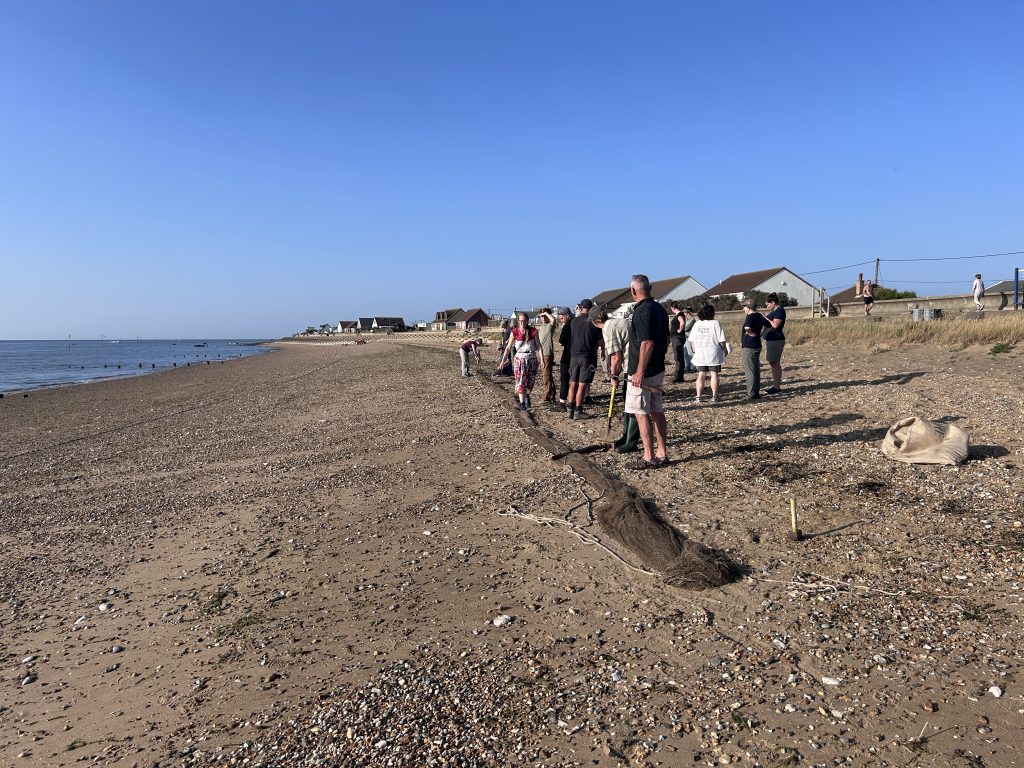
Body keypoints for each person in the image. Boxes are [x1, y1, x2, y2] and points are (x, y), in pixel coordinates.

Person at [624, 275, 669, 469]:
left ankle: (648, 456)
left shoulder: (642, 311)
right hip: (657, 367)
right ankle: (662, 452)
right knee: (656, 410)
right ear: (649, 288)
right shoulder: (660, 309)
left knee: (641, 413)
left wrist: (639, 372)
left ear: (633, 291)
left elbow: (647, 343)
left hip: (644, 372)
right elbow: (666, 339)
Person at [600, 308, 638, 453]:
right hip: (630, 365)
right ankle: (626, 436)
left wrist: (614, 376)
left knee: (633, 404)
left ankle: (631, 440)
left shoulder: (609, 328)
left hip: (633, 366)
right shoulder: (617, 322)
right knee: (628, 403)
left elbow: (616, 356)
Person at [498, 312, 546, 410]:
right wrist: (502, 361)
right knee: (520, 381)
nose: (522, 323)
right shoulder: (514, 332)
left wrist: (541, 360)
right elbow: (508, 348)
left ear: (527, 321)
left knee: (530, 382)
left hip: (531, 359)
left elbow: (539, 346)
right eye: (520, 321)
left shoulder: (533, 331)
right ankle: (522, 403)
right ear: (518, 321)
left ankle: (527, 395)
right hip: (519, 359)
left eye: (524, 321)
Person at [566, 299, 604, 419]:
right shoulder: (593, 322)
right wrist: (602, 350)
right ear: (591, 308)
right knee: (582, 384)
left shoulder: (573, 321)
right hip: (587, 356)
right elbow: (600, 341)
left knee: (572, 383)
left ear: (581, 308)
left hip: (574, 355)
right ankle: (578, 410)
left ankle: (569, 409)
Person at [687, 305, 728, 402]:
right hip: (713, 353)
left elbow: (692, 340)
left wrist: (694, 351)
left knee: (701, 374)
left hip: (700, 353)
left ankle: (698, 397)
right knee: (714, 374)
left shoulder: (697, 324)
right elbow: (722, 339)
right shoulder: (715, 323)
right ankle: (714, 396)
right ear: (711, 313)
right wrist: (725, 350)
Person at [740, 299, 770, 399]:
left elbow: (747, 328)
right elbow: (769, 326)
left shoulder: (750, 316)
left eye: (744, 307)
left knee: (750, 370)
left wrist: (751, 334)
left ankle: (751, 393)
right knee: (756, 369)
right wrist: (761, 334)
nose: (743, 309)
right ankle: (756, 392)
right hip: (757, 345)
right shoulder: (759, 315)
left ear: (749, 308)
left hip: (749, 345)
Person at [762, 292, 786, 395]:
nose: (767, 306)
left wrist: (766, 318)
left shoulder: (779, 311)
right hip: (771, 339)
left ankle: (777, 387)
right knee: (773, 362)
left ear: (773, 302)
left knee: (775, 362)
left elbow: (776, 325)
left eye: (768, 304)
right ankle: (776, 385)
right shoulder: (775, 311)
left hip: (776, 339)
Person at [534, 308, 557, 403]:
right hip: (541, 353)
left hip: (547, 353)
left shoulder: (550, 326)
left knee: (546, 376)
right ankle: (552, 394)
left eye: (544, 316)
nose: (542, 318)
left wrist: (546, 313)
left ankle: (546, 396)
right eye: (541, 316)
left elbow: (553, 320)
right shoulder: (541, 327)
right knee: (548, 375)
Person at [556, 306, 573, 409]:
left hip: (568, 355)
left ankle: (562, 402)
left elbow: (561, 340)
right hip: (579, 355)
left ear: (567, 316)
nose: (561, 320)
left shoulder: (568, 325)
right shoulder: (578, 323)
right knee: (576, 380)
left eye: (562, 318)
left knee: (565, 379)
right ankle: (573, 401)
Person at [669, 302, 687, 383]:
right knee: (678, 357)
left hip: (677, 338)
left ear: (673, 307)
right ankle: (679, 376)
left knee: (678, 357)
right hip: (677, 337)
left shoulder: (679, 314)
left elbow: (682, 323)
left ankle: (678, 377)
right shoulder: (680, 314)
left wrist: (679, 330)